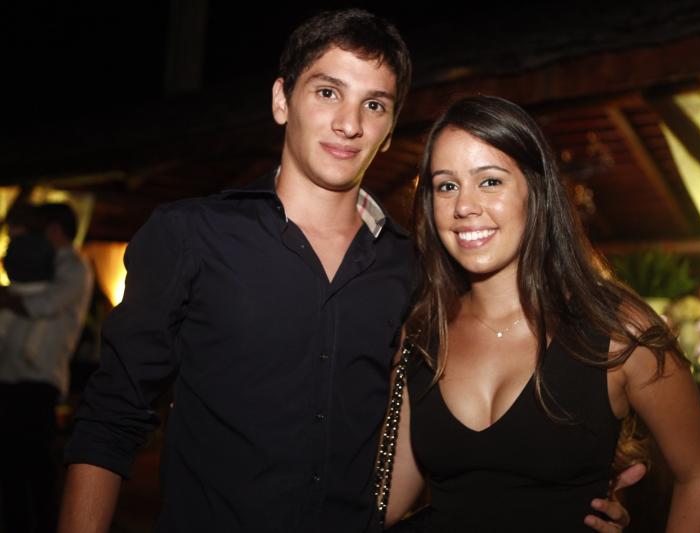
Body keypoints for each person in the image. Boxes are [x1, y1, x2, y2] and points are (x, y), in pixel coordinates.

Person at [59, 10, 632, 533]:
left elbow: (485, 400)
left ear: (390, 130)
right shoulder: (191, 236)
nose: (349, 123)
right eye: (328, 92)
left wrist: (583, 481)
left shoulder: (419, 267)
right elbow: (110, 418)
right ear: (282, 100)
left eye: (374, 105)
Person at [382, 96, 700, 532]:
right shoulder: (421, 334)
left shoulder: (619, 330)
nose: (464, 206)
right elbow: (384, 505)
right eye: (446, 186)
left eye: (490, 181)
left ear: (536, 191)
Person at [0, 202, 93, 533]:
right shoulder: (43, 262)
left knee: (36, 466)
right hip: (11, 377)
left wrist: (7, 298)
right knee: (11, 467)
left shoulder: (74, 267)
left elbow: (45, 304)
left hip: (40, 379)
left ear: (53, 229)